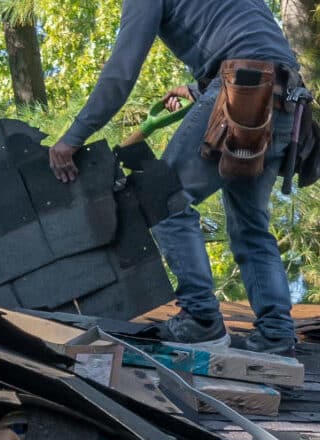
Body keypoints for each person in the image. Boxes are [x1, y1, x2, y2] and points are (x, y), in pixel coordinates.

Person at [49, 0, 300, 356]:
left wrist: (73, 138)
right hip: (285, 101)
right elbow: (254, 42)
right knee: (250, 225)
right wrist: (201, 89)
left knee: (163, 198)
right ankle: (276, 334)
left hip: (242, 90)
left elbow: (121, 72)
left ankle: (200, 318)